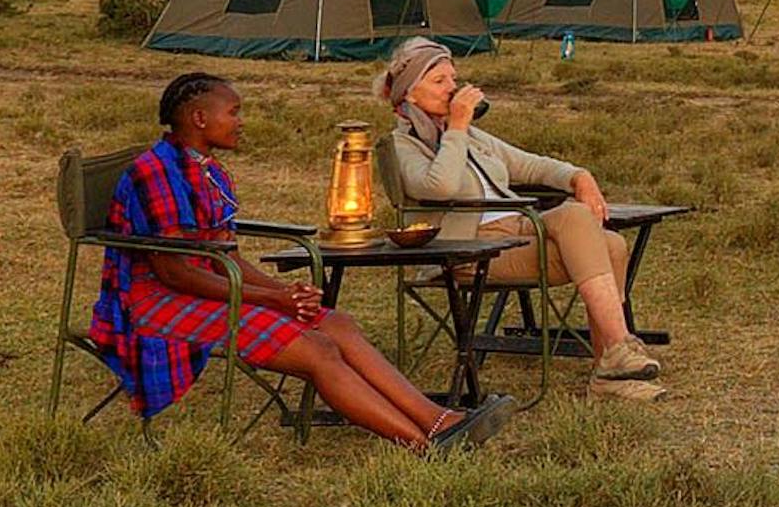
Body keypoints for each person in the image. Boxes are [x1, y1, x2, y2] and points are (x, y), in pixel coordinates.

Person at [89, 72, 507, 449]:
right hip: (155, 302)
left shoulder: (208, 171)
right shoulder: (157, 172)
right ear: (199, 118)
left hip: (207, 290)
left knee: (335, 322)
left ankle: (438, 422)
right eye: (233, 112)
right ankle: (423, 444)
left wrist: (284, 292)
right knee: (318, 350)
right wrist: (272, 301)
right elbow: (175, 272)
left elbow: (226, 257)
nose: (241, 121)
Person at [378, 38, 663, 392]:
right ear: (409, 95)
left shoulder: (473, 137)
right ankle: (619, 351)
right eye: (439, 81)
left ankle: (610, 369)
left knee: (613, 244)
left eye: (453, 78)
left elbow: (531, 165)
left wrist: (579, 176)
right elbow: (441, 187)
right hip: (468, 250)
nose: (453, 88)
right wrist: (457, 128)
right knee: (578, 221)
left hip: (516, 231)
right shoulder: (402, 146)